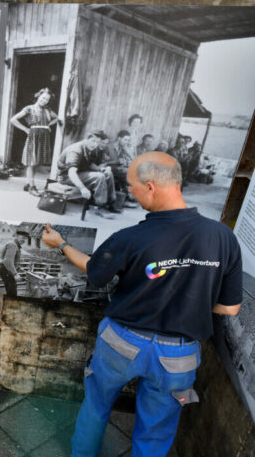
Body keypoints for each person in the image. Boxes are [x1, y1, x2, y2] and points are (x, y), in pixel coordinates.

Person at [42, 151, 242, 457]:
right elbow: (229, 308)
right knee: (156, 431)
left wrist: (63, 244)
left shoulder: (131, 236)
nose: (130, 192)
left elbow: (95, 270)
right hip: (179, 356)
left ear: (150, 187)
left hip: (122, 343)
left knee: (96, 406)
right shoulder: (223, 238)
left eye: (132, 186)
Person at [57, 130, 120, 217]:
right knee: (99, 177)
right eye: (93, 141)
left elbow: (89, 164)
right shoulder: (75, 150)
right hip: (66, 177)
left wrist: (101, 169)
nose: (94, 144)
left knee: (107, 173)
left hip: (80, 173)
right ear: (86, 139)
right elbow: (71, 172)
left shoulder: (89, 148)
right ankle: (100, 207)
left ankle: (110, 204)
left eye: (97, 142)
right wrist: (82, 188)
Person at [10, 88, 60, 194]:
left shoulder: (48, 110)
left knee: (37, 162)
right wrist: (25, 129)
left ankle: (28, 183)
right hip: (34, 136)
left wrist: (48, 125)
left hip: (44, 137)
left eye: (47, 99)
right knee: (32, 162)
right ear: (38, 96)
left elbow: (57, 118)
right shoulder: (29, 108)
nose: (44, 101)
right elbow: (13, 119)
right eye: (43, 98)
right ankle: (32, 187)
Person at [0, 233, 23, 298]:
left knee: (11, 290)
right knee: (12, 292)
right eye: (22, 237)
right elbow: (8, 261)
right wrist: (15, 274)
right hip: (7, 270)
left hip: (7, 270)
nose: (24, 240)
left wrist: (18, 267)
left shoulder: (14, 245)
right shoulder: (13, 245)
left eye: (26, 238)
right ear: (17, 236)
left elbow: (3, 257)